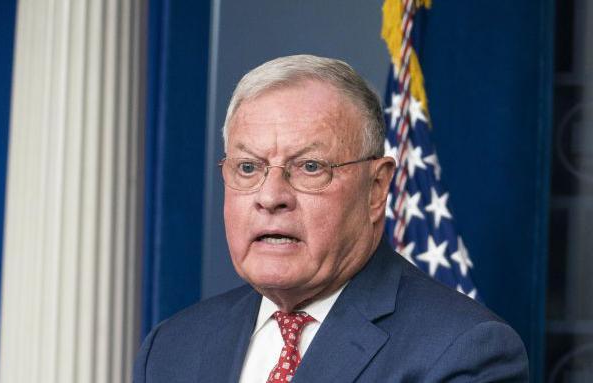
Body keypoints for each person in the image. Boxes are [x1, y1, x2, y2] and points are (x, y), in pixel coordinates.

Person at [133, 54, 529, 382]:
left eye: (309, 167)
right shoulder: (171, 348)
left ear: (376, 189)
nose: (271, 197)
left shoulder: (463, 351)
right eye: (249, 168)